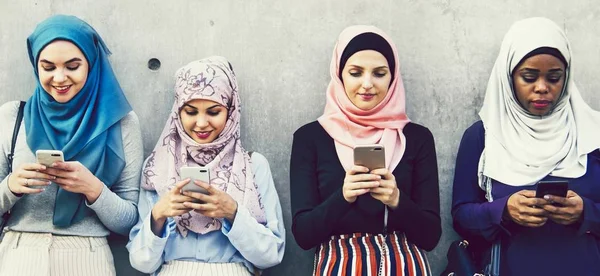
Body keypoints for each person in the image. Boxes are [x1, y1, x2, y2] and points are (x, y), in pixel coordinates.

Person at [452, 17, 600, 276]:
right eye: (529, 77)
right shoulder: (483, 136)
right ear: (509, 77)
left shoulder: (593, 134)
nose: (542, 88)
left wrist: (586, 212)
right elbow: (461, 217)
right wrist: (504, 211)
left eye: (554, 77)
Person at [290, 25, 441, 275]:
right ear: (340, 75)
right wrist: (344, 196)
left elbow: (431, 237)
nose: (367, 84)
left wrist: (396, 199)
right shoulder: (311, 138)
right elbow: (304, 236)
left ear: (393, 78)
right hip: (340, 266)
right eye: (355, 72)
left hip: (405, 267)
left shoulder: (416, 138)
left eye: (379, 73)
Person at [0, 15, 143, 275]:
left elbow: (130, 223)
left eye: (72, 66)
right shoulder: (12, 117)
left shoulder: (121, 123)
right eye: (48, 67)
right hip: (19, 257)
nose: (59, 77)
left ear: (91, 64)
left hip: (88, 259)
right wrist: (11, 186)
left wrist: (93, 189)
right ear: (36, 66)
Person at [127, 56, 285, 276]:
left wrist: (232, 212)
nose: (201, 123)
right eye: (190, 112)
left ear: (231, 112)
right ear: (177, 112)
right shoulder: (157, 167)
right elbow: (140, 262)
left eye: (213, 112)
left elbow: (271, 255)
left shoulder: (253, 165)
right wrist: (159, 215)